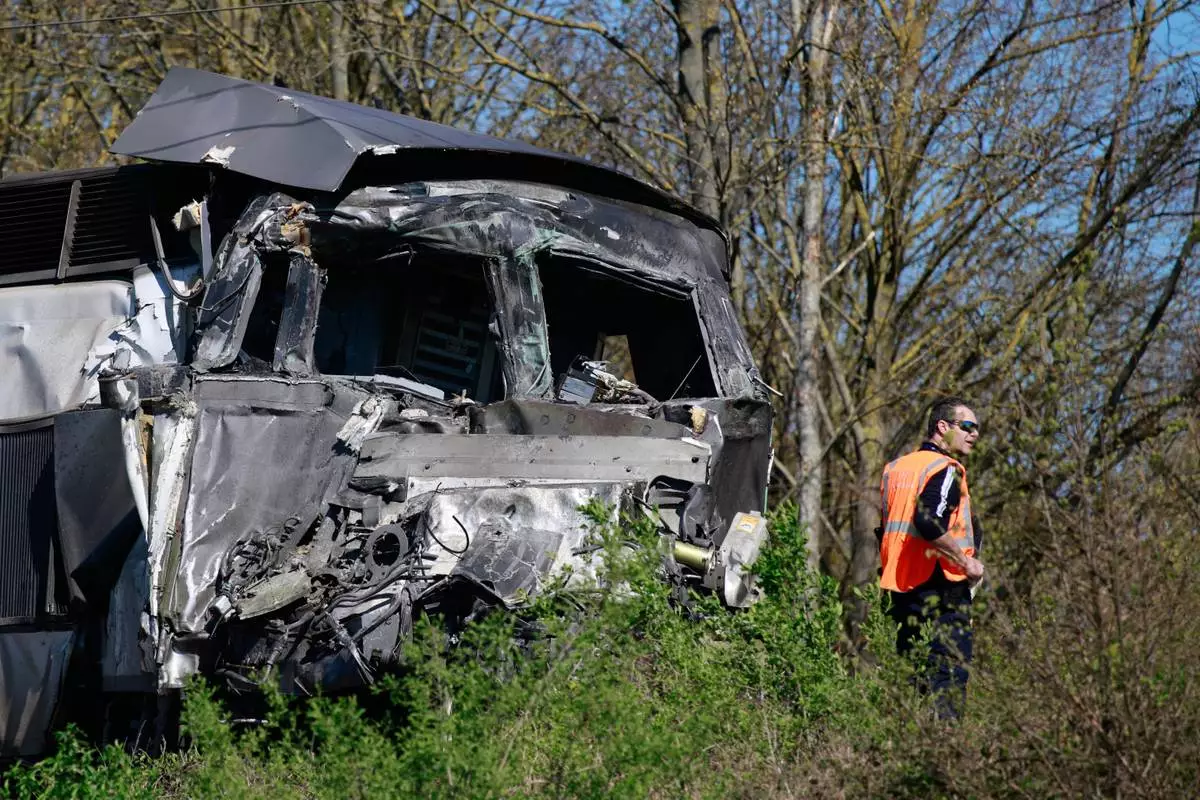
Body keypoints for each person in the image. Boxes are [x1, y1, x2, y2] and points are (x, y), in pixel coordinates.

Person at [879, 396, 984, 719]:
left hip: (900, 587)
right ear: (942, 427)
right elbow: (928, 522)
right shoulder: (947, 469)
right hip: (941, 588)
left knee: (910, 680)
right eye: (967, 426)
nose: (974, 434)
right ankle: (945, 746)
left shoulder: (895, 469)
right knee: (948, 676)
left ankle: (909, 743)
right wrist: (967, 563)